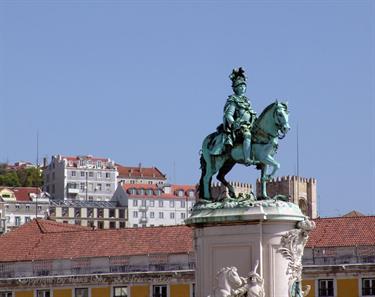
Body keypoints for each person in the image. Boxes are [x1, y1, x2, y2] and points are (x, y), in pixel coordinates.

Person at [222, 67, 257, 165]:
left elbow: (251, 113)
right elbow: (228, 115)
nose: (242, 88)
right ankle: (247, 159)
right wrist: (234, 123)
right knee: (247, 135)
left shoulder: (247, 101)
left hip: (250, 125)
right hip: (239, 127)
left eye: (243, 86)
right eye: (239, 86)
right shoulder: (233, 100)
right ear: (235, 88)